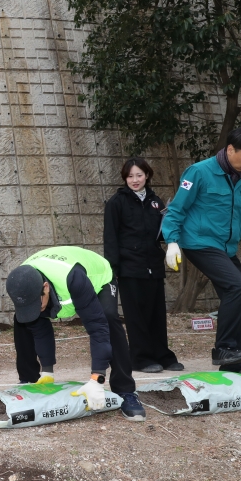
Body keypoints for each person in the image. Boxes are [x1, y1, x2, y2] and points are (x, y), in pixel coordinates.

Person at [162, 126, 241, 373]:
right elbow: (177, 209)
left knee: (237, 297)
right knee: (237, 286)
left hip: (226, 247)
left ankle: (235, 363)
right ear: (230, 149)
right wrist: (172, 241)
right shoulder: (198, 172)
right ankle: (225, 348)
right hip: (199, 242)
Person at [5, 246, 147, 421]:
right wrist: (47, 371)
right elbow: (40, 329)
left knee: (108, 319)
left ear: (46, 287)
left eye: (36, 303)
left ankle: (125, 390)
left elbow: (97, 328)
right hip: (57, 278)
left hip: (98, 278)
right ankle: (28, 383)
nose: (36, 308)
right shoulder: (23, 280)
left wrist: (97, 378)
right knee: (23, 321)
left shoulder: (73, 279)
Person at [103, 157, 183, 373]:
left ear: (147, 175)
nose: (135, 180)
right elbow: (110, 238)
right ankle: (141, 358)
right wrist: (113, 270)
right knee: (136, 316)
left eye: (139, 175)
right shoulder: (116, 203)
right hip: (130, 268)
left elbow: (162, 233)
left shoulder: (156, 202)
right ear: (125, 178)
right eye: (130, 176)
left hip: (153, 266)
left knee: (157, 313)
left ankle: (163, 355)